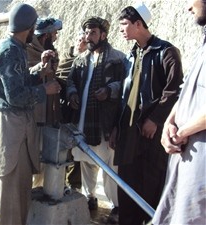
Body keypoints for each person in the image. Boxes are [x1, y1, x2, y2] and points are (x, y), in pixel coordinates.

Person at [110, 2, 183, 225]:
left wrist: (155, 119)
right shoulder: (131, 55)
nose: (121, 29)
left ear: (139, 24)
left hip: (152, 136)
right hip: (129, 135)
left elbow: (174, 90)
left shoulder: (166, 52)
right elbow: (126, 96)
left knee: (151, 187)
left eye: (124, 24)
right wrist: (116, 127)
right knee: (126, 187)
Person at [0, 3, 61, 225]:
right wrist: (44, 90)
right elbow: (15, 96)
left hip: (18, 125)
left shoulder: (16, 48)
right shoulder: (10, 51)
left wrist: (40, 70)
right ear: (28, 28)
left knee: (20, 187)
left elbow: (19, 80)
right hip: (12, 125)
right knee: (12, 189)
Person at [152, 0, 206, 224]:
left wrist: (181, 132)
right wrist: (169, 123)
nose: (188, 7)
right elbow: (187, 91)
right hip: (184, 156)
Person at [66, 16, 125, 223]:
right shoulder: (81, 60)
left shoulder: (117, 59)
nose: (88, 36)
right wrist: (72, 93)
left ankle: (116, 206)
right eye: (86, 32)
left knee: (110, 167)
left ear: (103, 34)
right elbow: (71, 81)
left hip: (105, 123)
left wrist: (110, 91)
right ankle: (90, 196)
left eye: (92, 32)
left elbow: (126, 85)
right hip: (83, 121)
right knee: (86, 163)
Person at [26, 17, 62, 188]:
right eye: (54, 34)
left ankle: (40, 190)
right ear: (45, 36)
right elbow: (25, 79)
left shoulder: (50, 52)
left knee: (45, 157)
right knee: (31, 157)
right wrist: (41, 66)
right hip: (33, 116)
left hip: (49, 113)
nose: (55, 37)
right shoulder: (27, 52)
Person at [56, 30, 87, 191]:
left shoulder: (86, 63)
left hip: (76, 111)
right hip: (60, 111)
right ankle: (58, 183)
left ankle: (75, 184)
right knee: (61, 149)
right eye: (79, 40)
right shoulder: (65, 60)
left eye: (84, 41)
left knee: (76, 150)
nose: (81, 44)